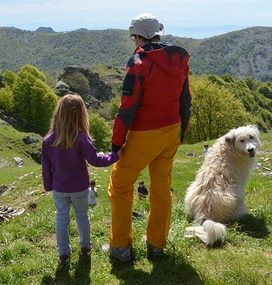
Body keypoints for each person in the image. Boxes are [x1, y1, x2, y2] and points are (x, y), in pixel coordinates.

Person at [107, 13, 192, 262]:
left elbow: (127, 107)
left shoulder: (138, 63)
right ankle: (157, 245)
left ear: (138, 36)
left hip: (145, 133)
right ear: (158, 33)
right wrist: (182, 132)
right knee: (161, 186)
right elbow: (185, 99)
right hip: (172, 131)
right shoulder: (179, 61)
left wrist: (116, 143)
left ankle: (120, 247)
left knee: (120, 186)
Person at [42, 94, 120, 265]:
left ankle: (63, 253)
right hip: (79, 186)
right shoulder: (81, 138)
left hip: (59, 187)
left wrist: (48, 186)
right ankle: (85, 247)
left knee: (61, 218)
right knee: (82, 216)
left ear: (58, 113)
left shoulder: (49, 140)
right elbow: (96, 160)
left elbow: (46, 167)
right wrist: (115, 155)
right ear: (81, 114)